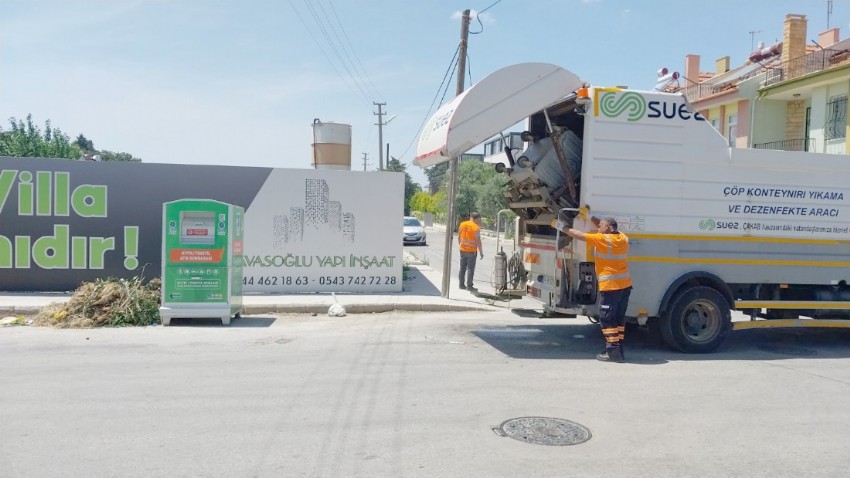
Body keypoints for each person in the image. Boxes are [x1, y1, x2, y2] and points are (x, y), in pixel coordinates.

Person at [559, 215, 632, 362]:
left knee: (606, 317)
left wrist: (562, 227)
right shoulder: (623, 238)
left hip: (611, 286)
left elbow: (578, 235)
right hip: (624, 286)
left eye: (600, 227)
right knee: (618, 319)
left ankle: (613, 352)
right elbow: (607, 227)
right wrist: (591, 217)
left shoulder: (602, 239)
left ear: (606, 229)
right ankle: (618, 348)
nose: (598, 228)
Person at [457, 212, 484, 291]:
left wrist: (461, 244)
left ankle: (461, 285)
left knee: (462, 268)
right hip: (471, 251)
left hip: (462, 249)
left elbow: (458, 236)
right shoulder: (476, 227)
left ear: (470, 217)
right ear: (476, 219)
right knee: (470, 269)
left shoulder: (462, 224)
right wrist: (481, 252)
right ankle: (469, 286)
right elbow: (478, 240)